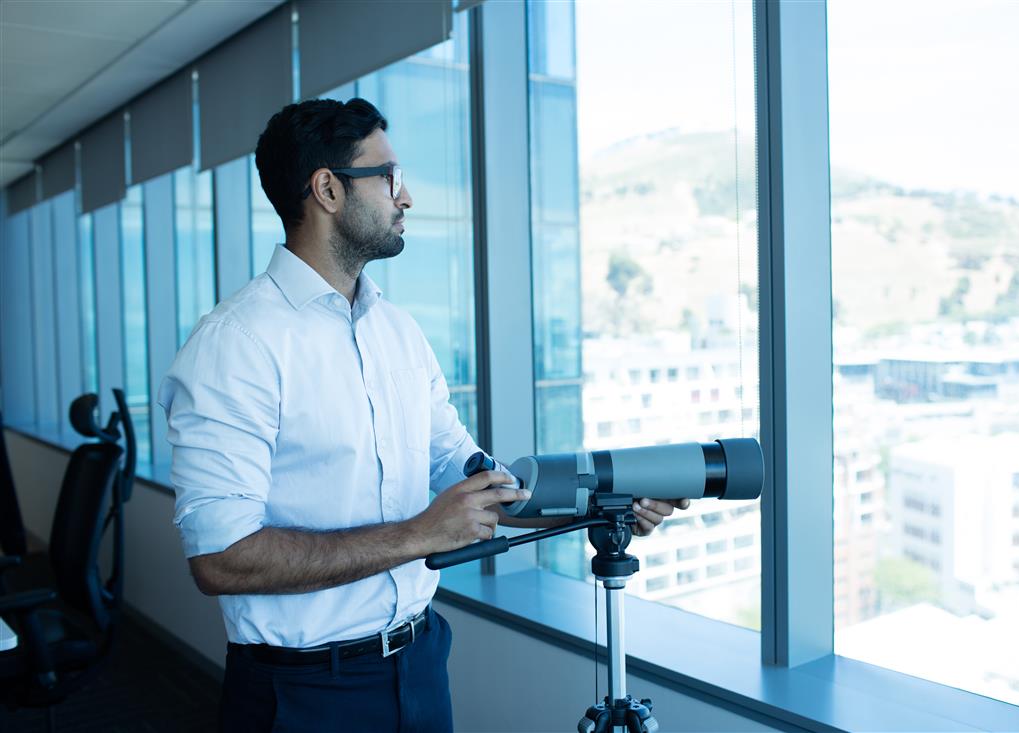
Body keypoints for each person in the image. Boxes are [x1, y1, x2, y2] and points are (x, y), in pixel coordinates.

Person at [158, 98, 689, 733]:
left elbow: (473, 480)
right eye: (387, 176)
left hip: (420, 663)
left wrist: (604, 505)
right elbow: (220, 558)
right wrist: (418, 534)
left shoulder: (398, 332)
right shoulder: (234, 345)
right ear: (327, 189)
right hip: (302, 692)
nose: (404, 196)